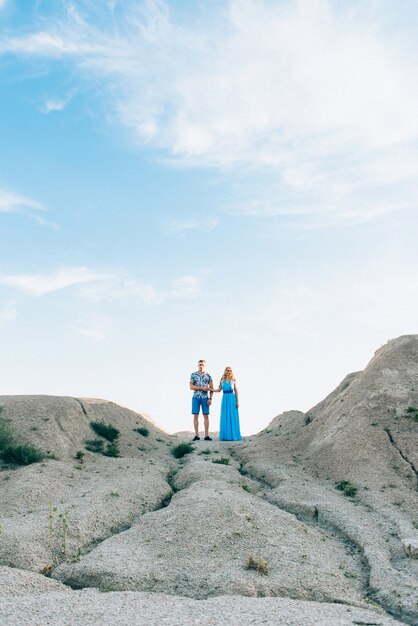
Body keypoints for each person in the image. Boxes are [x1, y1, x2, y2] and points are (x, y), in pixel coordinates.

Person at [212, 366, 242, 441]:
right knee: (225, 416)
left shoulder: (233, 381)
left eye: (230, 371)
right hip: (225, 399)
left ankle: (234, 435)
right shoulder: (222, 381)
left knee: (233, 416)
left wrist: (237, 401)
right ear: (225, 371)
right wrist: (211, 389)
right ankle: (226, 436)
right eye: (227, 370)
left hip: (232, 399)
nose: (229, 372)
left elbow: (236, 391)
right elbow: (219, 390)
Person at [190, 359, 213, 441]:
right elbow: (191, 387)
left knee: (206, 416)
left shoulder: (208, 376)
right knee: (195, 416)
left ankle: (206, 435)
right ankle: (196, 435)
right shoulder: (193, 375)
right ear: (198, 365)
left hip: (205, 398)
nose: (201, 366)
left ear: (205, 366)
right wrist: (201, 388)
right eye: (199, 365)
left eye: (202, 365)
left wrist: (210, 398)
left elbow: (211, 388)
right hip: (196, 397)